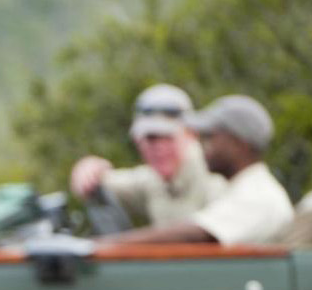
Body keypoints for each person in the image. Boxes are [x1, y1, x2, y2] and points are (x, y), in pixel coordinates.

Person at [98, 94, 293, 246]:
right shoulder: (236, 188)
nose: (201, 144)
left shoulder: (259, 195)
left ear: (238, 144)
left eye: (210, 136)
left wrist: (101, 247)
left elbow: (197, 234)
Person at [69, 84, 225, 228]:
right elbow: (96, 181)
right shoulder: (152, 180)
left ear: (191, 134)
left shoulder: (216, 177)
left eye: (167, 137)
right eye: (150, 138)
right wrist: (88, 167)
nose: (159, 148)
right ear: (138, 141)